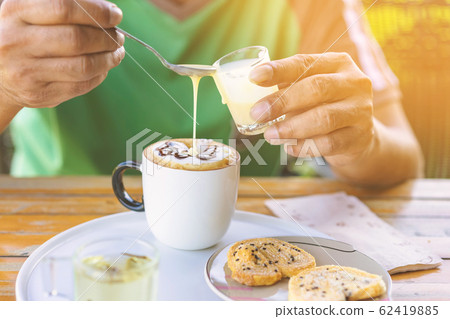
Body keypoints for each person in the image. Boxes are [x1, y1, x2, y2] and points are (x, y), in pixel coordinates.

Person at [0, 0, 423, 187]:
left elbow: (406, 160)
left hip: (242, 232)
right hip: (50, 228)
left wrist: (358, 141)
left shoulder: (311, 4)